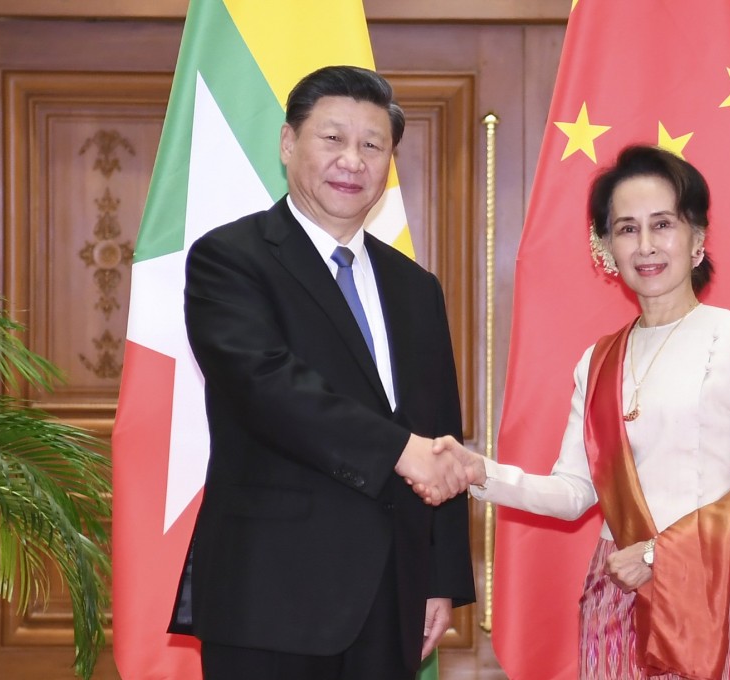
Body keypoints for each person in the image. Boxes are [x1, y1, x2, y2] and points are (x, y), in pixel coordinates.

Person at [432, 145, 730, 680]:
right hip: (617, 583)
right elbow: (574, 492)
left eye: (662, 224)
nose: (646, 246)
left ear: (696, 238)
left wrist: (659, 555)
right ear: (604, 247)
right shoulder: (598, 361)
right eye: (626, 229)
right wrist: (480, 473)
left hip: (707, 581)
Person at [168, 65, 475, 680]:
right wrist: (398, 451)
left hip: (392, 593)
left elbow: (438, 427)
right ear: (287, 143)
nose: (352, 161)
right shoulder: (230, 259)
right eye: (332, 139)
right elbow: (267, 387)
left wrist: (440, 580)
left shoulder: (416, 288)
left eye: (372, 145)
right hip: (271, 593)